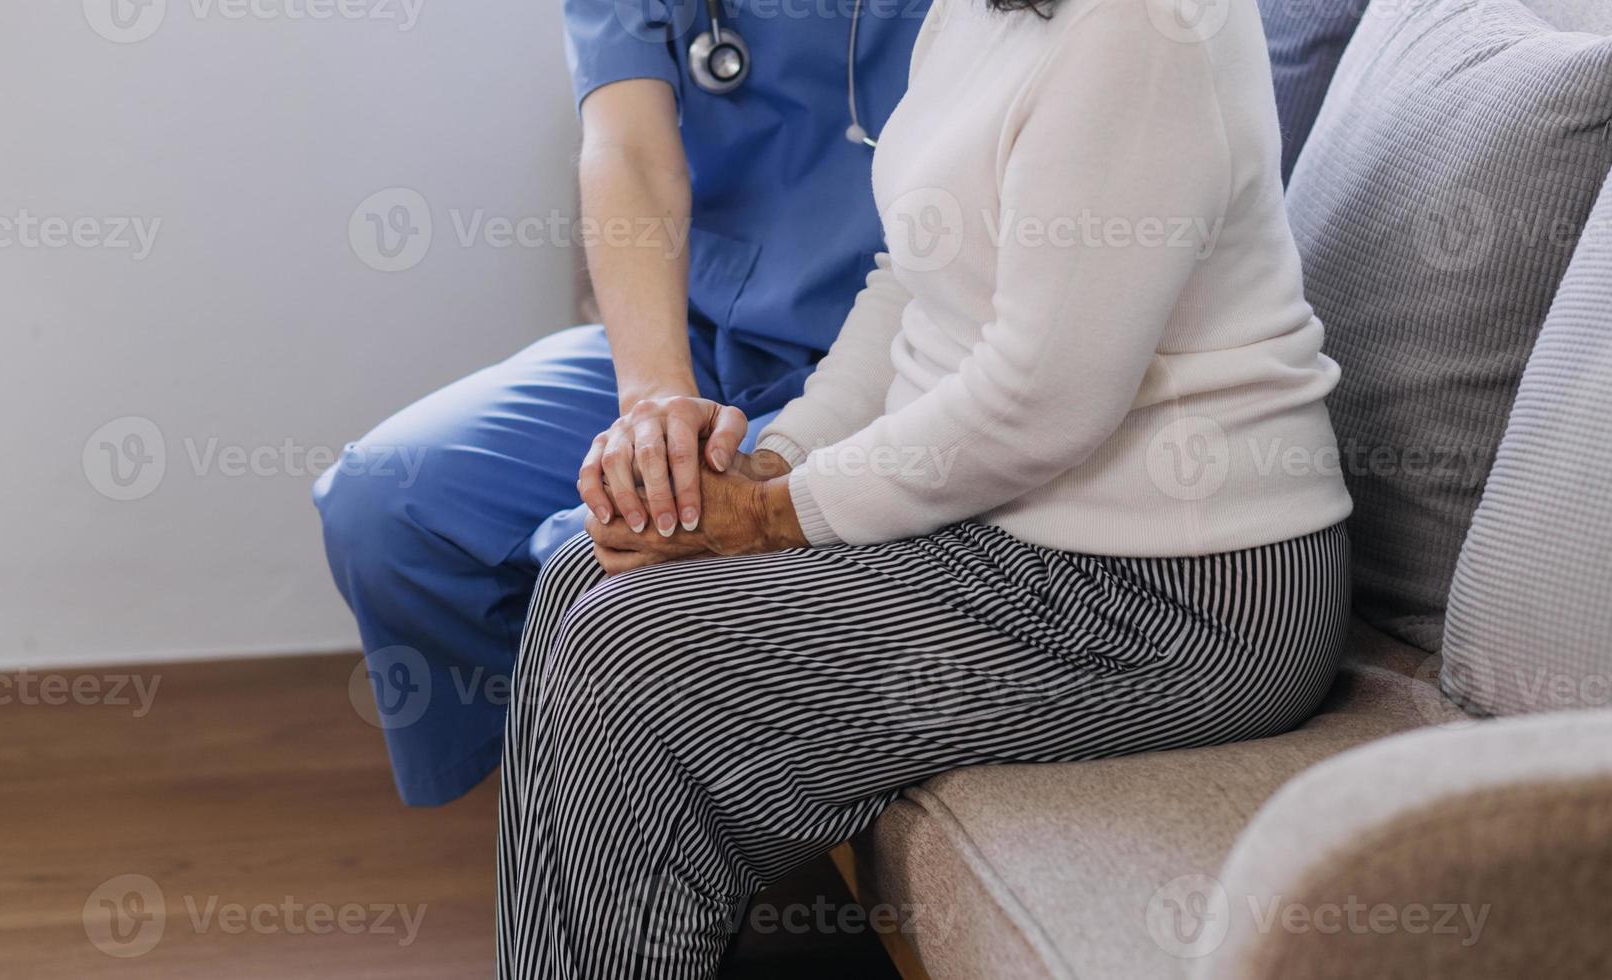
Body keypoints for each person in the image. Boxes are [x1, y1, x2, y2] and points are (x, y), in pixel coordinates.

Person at [494, 0, 1357, 974]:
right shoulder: (979, 11)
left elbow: (1046, 393)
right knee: (580, 574)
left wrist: (776, 517)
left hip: (1183, 589)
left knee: (631, 651)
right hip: (1008, 529)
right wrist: (777, 461)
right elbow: (912, 277)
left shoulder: (1144, 22)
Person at [313, 0, 925, 806]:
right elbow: (629, 148)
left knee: (612, 546)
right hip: (701, 329)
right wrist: (656, 402)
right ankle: (565, 803)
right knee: (384, 503)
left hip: (903, 356)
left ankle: (638, 836)